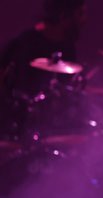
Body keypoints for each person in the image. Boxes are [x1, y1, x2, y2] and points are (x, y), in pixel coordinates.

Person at [0, 0, 87, 140]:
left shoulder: (68, 47)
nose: (84, 20)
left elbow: (68, 91)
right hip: (19, 124)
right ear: (63, 17)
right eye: (80, 14)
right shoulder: (24, 43)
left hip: (53, 125)